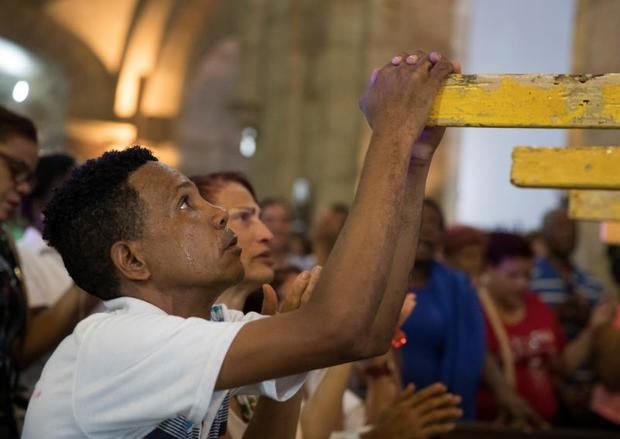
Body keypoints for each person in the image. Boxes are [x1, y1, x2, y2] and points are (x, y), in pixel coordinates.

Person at [23, 49, 458, 438]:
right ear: (133, 259)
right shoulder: (118, 342)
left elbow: (368, 333)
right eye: (185, 205)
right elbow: (341, 329)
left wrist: (413, 161)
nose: (218, 214)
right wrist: (391, 135)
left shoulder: (214, 324)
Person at [0, 107, 86, 438]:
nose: (23, 188)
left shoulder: (5, 247)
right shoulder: (25, 247)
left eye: (29, 177)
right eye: (15, 170)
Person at [477, 232, 614, 424]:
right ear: (489, 269)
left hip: (543, 425)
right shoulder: (474, 310)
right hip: (494, 426)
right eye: (513, 275)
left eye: (528, 276)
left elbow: (562, 365)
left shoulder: (538, 307)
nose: (522, 284)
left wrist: (592, 329)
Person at [400, 198, 486, 421]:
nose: (427, 229)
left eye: (434, 224)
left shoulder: (458, 286)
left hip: (441, 408)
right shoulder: (376, 280)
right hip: (381, 401)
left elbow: (474, 350)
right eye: (419, 219)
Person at [531, 207, 605, 425]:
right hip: (543, 386)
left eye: (573, 228)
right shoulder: (530, 280)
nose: (567, 233)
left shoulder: (591, 284)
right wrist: (556, 317)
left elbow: (602, 337)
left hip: (587, 390)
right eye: (560, 227)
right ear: (544, 233)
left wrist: (587, 317)